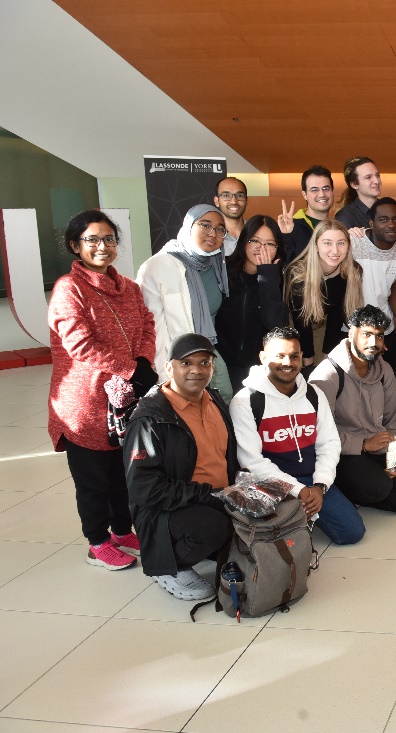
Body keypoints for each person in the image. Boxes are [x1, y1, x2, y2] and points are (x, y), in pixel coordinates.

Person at [48, 210, 158, 571]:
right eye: (92, 240)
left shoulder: (129, 287)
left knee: (121, 474)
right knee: (93, 480)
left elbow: (147, 324)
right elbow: (79, 343)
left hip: (123, 400)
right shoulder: (69, 288)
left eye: (109, 239)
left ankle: (123, 531)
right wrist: (130, 368)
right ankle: (97, 542)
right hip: (84, 404)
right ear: (75, 245)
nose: (102, 246)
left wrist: (143, 360)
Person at [123, 334, 235, 601]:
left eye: (204, 362)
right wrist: (208, 496)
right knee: (212, 528)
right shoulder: (150, 418)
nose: (196, 370)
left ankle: (207, 538)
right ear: (169, 367)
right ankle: (169, 566)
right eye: (186, 363)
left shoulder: (214, 400)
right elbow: (145, 489)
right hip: (166, 510)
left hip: (215, 495)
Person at [230, 326, 365, 545]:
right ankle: (294, 521)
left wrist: (320, 486)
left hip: (311, 479)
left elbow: (329, 444)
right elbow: (251, 460)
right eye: (279, 356)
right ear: (263, 358)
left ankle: (301, 517)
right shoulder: (245, 401)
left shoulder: (314, 394)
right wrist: (297, 490)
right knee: (285, 542)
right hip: (270, 483)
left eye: (294, 356)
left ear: (302, 357)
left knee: (352, 532)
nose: (287, 363)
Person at [310, 305, 396, 515]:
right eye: (366, 334)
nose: (373, 343)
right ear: (351, 333)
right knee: (380, 487)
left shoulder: (384, 369)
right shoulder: (326, 375)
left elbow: (394, 422)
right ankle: (339, 488)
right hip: (342, 452)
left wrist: (395, 458)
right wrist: (364, 445)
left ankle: (366, 487)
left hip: (378, 446)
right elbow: (319, 434)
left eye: (379, 336)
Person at [136, 203, 234, 399]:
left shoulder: (216, 264)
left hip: (208, 351)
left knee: (224, 400)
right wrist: (166, 376)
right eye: (205, 225)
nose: (212, 233)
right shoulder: (157, 266)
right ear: (189, 226)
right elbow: (152, 328)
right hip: (178, 358)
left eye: (220, 229)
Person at [215, 214, 290, 394]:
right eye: (255, 241)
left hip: (259, 371)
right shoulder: (222, 272)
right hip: (221, 368)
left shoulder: (281, 279)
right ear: (243, 242)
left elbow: (274, 324)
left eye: (270, 244)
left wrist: (267, 275)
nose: (261, 248)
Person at [283, 219, 365, 369]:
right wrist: (308, 358)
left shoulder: (351, 271)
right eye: (327, 243)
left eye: (341, 243)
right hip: (296, 326)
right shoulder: (298, 274)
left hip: (324, 323)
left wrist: (328, 352)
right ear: (316, 246)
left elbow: (337, 314)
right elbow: (301, 320)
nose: (335, 251)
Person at [350, 197, 396, 371]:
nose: (391, 225)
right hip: (352, 329)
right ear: (371, 222)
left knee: (384, 380)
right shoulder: (353, 242)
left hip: (384, 329)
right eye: (383, 220)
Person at [278, 165, 335, 262]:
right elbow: (284, 264)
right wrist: (285, 236)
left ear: (332, 191)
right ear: (304, 195)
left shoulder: (338, 226)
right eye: (314, 190)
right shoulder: (291, 227)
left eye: (326, 189)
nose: (321, 194)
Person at [336, 156, 381, 230]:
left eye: (377, 175)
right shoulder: (345, 216)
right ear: (354, 185)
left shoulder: (388, 209)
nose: (377, 181)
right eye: (368, 177)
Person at [213, 177, 248, 256]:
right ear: (216, 201)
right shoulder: (210, 236)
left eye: (239, 196)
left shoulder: (257, 233)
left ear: (247, 201)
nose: (234, 201)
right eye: (226, 196)